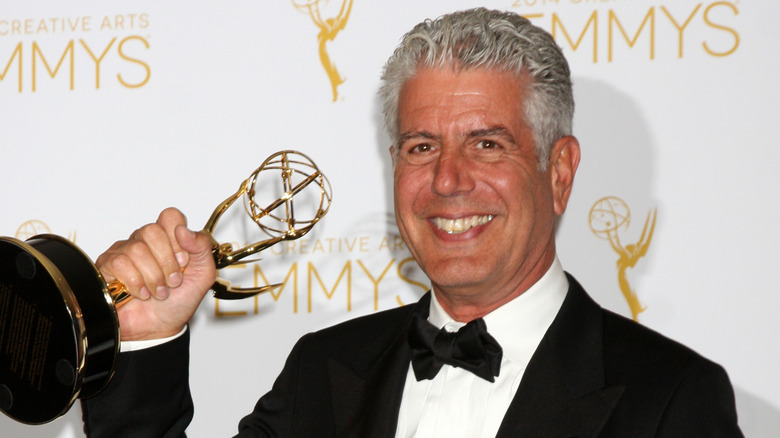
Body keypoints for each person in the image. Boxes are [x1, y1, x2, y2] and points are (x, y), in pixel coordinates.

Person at [82, 8, 743, 437]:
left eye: (487, 143)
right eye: (421, 146)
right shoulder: (324, 371)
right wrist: (144, 341)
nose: (448, 181)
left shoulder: (672, 401)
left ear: (560, 171)